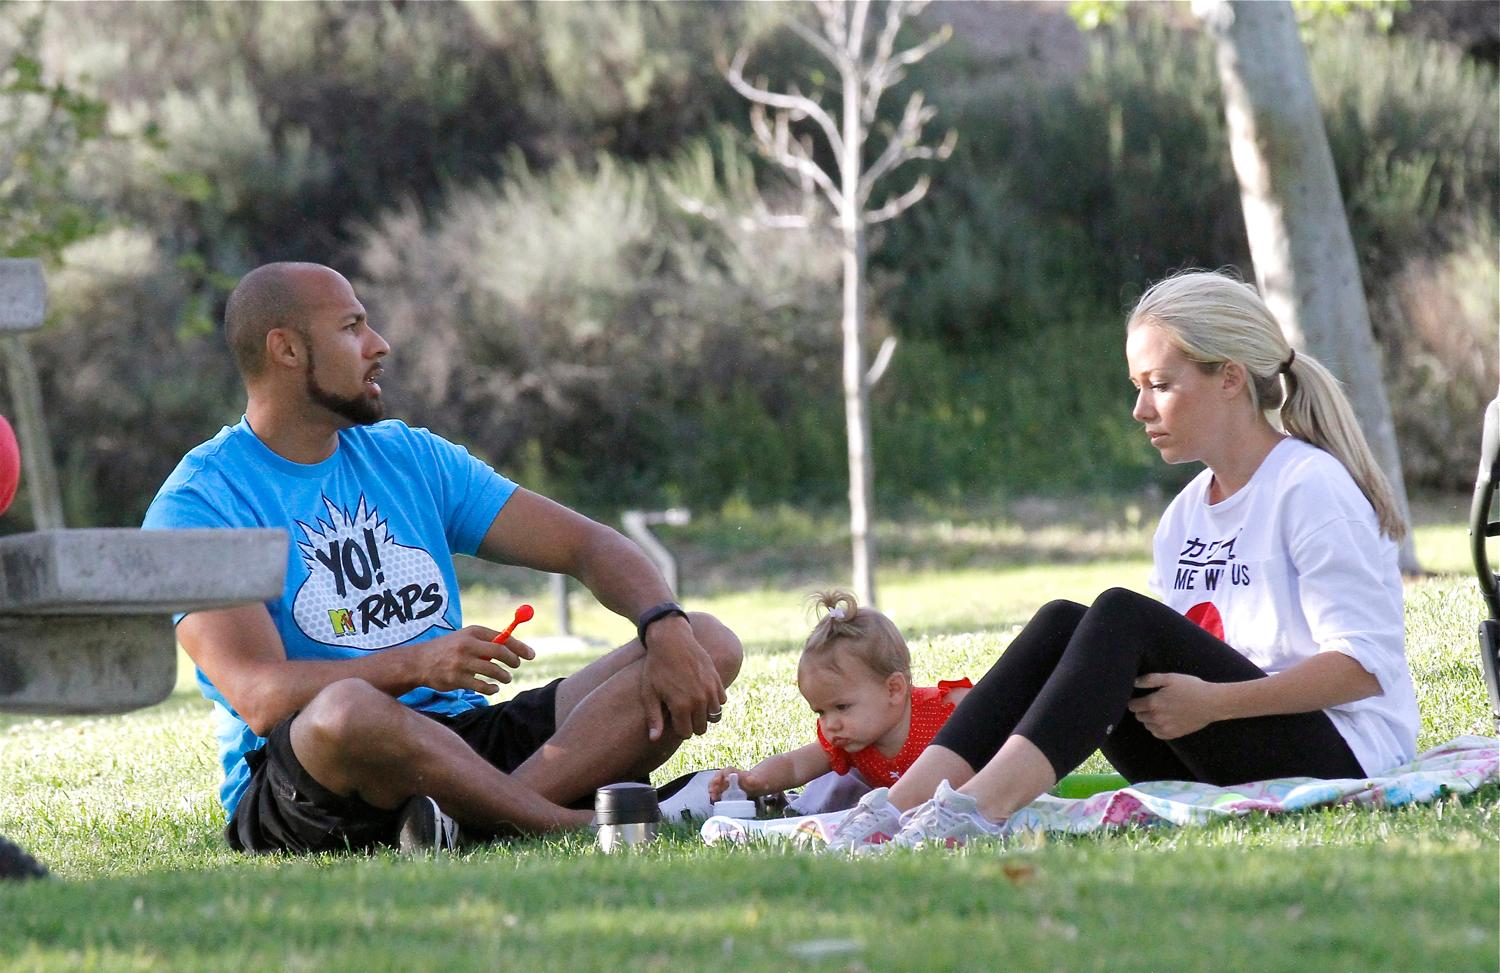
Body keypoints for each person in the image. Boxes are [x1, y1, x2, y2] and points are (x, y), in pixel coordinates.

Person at [143, 262, 743, 855]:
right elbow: (261, 696)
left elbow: (589, 545)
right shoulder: (199, 503)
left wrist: (662, 623)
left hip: (460, 739)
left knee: (707, 641)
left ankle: (470, 818)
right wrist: (418, 662)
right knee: (348, 711)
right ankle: (562, 822)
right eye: (352, 328)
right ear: (287, 350)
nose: (379, 345)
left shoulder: (408, 456)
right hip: (319, 774)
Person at [827, 269, 1419, 851]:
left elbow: (1364, 668)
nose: (1140, 409)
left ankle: (979, 808)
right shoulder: (1184, 515)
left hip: (1339, 754)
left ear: (1230, 379)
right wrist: (1200, 706)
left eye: (1159, 384)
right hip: (1217, 740)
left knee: (1121, 614)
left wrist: (1214, 703)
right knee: (1064, 621)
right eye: (1137, 386)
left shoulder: (1310, 487)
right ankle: (904, 806)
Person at [707, 590, 971, 806]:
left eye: (841, 707)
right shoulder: (848, 742)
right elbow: (794, 765)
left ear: (894, 690)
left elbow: (998, 714)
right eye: (820, 712)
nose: (830, 723)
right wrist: (754, 780)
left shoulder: (948, 709)